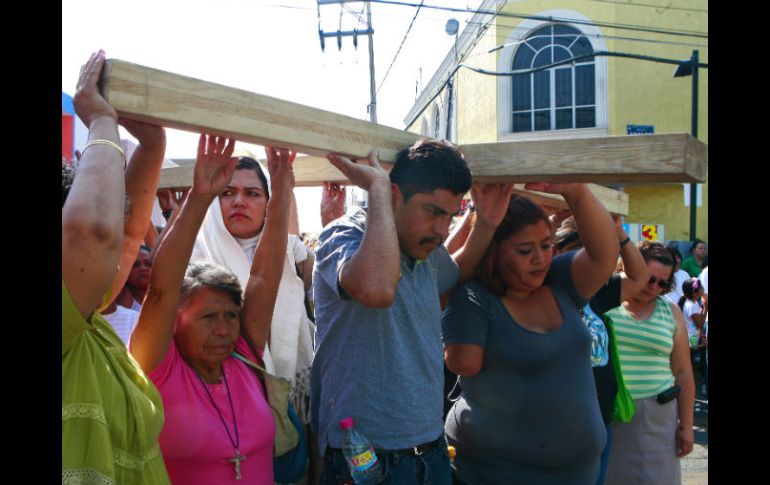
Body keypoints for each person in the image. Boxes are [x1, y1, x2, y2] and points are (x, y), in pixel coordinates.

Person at [311, 140, 513, 485]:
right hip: (366, 461)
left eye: (449, 216)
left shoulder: (424, 250)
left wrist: (487, 225)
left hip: (430, 450)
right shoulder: (345, 234)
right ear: (394, 195)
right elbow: (377, 289)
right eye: (432, 212)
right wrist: (375, 189)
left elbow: (452, 275)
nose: (442, 229)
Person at [129, 134, 296, 485]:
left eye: (231, 316)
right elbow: (161, 290)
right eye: (207, 317)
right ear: (175, 319)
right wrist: (201, 195)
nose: (224, 330)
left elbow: (264, 277)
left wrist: (281, 193)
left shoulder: (242, 354)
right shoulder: (160, 367)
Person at [442, 183, 619, 485]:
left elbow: (605, 256)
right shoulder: (473, 299)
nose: (540, 258)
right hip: (493, 473)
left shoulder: (559, 281)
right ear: (492, 253)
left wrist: (575, 192)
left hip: (578, 474)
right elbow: (463, 363)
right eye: (525, 250)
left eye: (547, 244)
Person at [62, 50, 170, 485]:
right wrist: (101, 123)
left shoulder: (85, 318)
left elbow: (124, 237)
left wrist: (153, 145)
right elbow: (94, 235)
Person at [190, 153, 315, 424]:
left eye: (252, 193)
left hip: (287, 399)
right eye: (227, 192)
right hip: (218, 402)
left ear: (269, 203)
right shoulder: (195, 256)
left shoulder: (294, 252)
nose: (238, 201)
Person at [552, 214, 650, 485]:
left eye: (591, 252)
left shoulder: (597, 290)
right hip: (559, 420)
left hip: (600, 417)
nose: (584, 260)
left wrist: (620, 234)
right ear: (556, 251)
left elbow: (640, 278)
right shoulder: (544, 291)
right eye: (575, 251)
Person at [604, 242, 695, 485]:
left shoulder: (671, 312)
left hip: (659, 416)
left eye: (663, 283)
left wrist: (686, 425)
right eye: (649, 278)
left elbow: (683, 372)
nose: (654, 287)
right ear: (628, 268)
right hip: (610, 415)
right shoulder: (604, 304)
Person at [678, 278, 707, 399]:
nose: (703, 289)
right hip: (690, 344)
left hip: (692, 341)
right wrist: (706, 307)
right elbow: (700, 323)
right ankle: (689, 394)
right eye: (701, 288)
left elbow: (698, 327)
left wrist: (703, 337)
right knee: (691, 370)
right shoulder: (692, 306)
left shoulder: (691, 303)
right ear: (695, 292)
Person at [115, 245, 152, 311]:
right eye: (135, 265)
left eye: (148, 264)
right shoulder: (119, 303)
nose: (143, 268)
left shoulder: (172, 298)